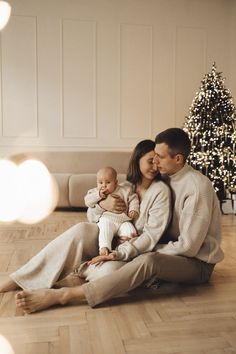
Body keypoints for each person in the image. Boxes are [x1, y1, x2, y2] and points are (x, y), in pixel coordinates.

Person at [0, 139, 171, 312]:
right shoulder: (124, 186)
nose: (155, 166)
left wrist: (118, 252)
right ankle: (18, 278)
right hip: (106, 237)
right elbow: (91, 217)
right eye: (151, 161)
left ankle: (83, 267)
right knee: (81, 229)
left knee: (108, 273)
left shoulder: (160, 192)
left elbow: (151, 236)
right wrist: (103, 206)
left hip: (130, 250)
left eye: (157, 161)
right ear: (137, 160)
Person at [84, 166, 139, 256]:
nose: (103, 185)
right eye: (100, 182)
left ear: (116, 183)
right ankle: (104, 248)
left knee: (131, 232)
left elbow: (134, 199)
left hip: (123, 220)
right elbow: (87, 201)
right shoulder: (95, 192)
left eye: (108, 182)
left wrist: (133, 209)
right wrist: (99, 195)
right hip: (107, 219)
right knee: (105, 231)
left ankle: (124, 251)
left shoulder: (125, 190)